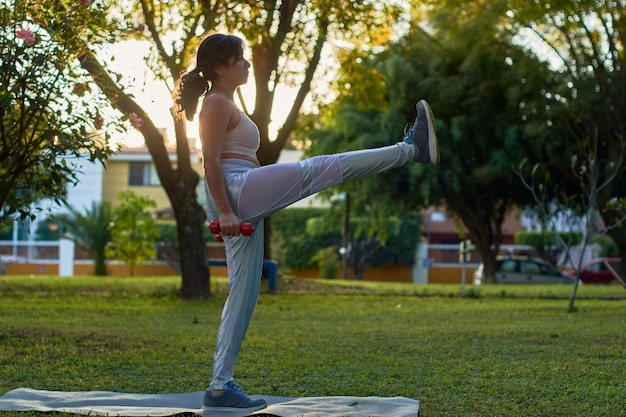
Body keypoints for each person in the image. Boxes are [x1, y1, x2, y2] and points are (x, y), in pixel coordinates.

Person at [173, 33, 439, 412]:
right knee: (321, 168)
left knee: (244, 295)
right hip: (233, 191)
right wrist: (227, 211)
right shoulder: (215, 103)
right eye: (240, 59)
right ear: (219, 67)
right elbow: (210, 163)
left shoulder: (226, 102)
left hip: (240, 193)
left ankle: (219, 387)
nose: (247, 65)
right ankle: (411, 149)